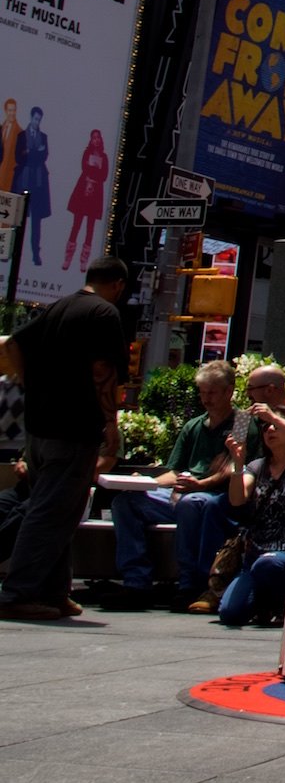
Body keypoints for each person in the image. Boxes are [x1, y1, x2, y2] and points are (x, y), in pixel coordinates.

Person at [0, 256, 128, 620]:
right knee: (50, 512)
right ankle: (17, 592)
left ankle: (55, 592)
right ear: (117, 284)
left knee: (62, 511)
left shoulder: (58, 307)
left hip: (39, 430)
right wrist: (111, 428)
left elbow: (12, 345)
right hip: (73, 430)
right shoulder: (103, 314)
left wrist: (30, 383)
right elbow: (103, 371)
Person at [103, 361, 243, 610]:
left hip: (218, 497)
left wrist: (199, 484)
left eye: (212, 392)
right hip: (185, 490)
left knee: (191, 503)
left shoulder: (242, 422)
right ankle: (137, 582)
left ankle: (189, 584)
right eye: (202, 392)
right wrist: (147, 484)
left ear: (228, 392)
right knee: (125, 502)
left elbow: (233, 468)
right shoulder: (194, 425)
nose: (206, 399)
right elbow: (175, 470)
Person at [214, 405, 285, 626]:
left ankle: (279, 603)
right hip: (255, 553)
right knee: (230, 614)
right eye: (265, 426)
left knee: (269, 565)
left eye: (276, 425)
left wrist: (272, 415)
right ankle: (263, 603)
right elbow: (237, 499)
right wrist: (238, 463)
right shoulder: (257, 466)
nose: (270, 429)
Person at [60, 129, 110, 273]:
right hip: (83, 192)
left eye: (98, 137)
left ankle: (84, 261)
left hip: (95, 195)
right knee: (76, 225)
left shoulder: (104, 157)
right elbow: (84, 168)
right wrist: (93, 171)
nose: (96, 140)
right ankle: (68, 257)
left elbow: (104, 176)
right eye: (93, 137)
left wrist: (93, 172)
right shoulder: (86, 153)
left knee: (90, 228)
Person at [13, 106, 50, 266]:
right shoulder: (22, 136)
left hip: (38, 183)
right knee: (17, 218)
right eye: (35, 119)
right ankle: (10, 250)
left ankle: (36, 254)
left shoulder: (44, 137)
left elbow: (43, 157)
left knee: (36, 221)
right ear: (31, 118)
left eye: (39, 120)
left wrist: (30, 152)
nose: (37, 122)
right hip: (23, 180)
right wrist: (33, 152)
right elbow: (18, 157)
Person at [0, 97, 21, 192]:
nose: (12, 113)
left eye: (14, 110)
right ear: (5, 111)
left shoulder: (19, 132)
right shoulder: (1, 128)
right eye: (10, 110)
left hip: (9, 178)